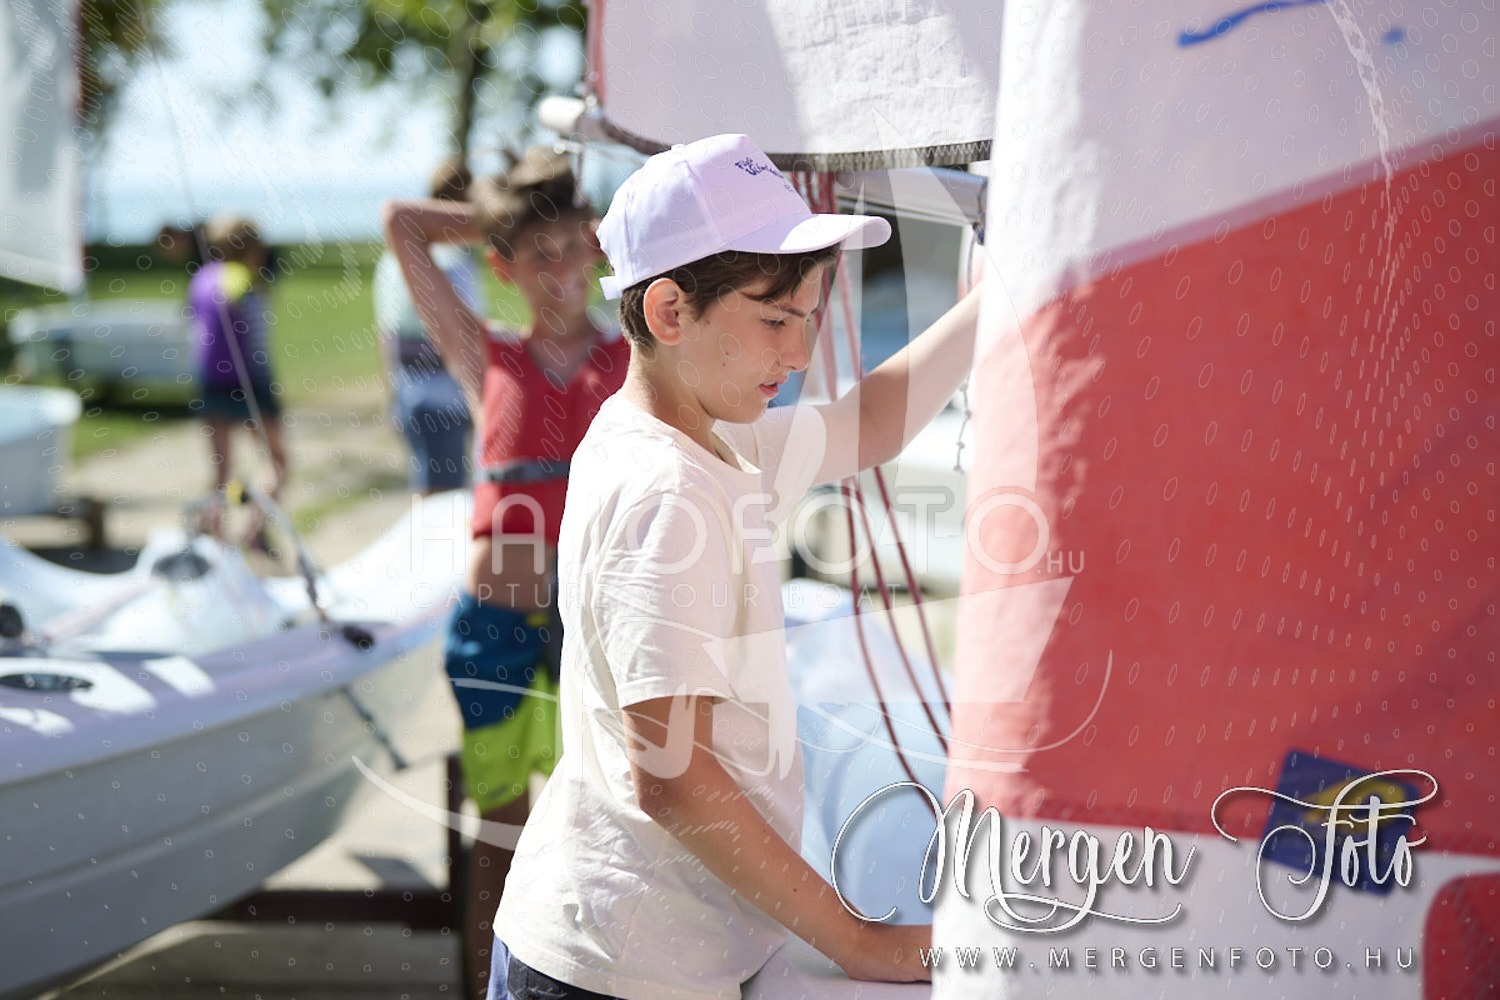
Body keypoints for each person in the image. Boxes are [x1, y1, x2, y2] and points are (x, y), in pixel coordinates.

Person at [488, 133, 982, 999]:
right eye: (776, 320)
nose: (799, 354)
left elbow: (868, 424)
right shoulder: (666, 492)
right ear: (671, 313)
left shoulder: (704, 437)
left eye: (811, 318)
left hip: (661, 947)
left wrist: (1003, 298)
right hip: (615, 969)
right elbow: (672, 777)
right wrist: (859, 940)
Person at [381, 147, 630, 1000]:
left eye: (573, 252)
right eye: (538, 256)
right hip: (493, 632)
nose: (560, 273)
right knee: (501, 832)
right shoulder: (486, 356)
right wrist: (505, 216)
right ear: (505, 267)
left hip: (590, 638)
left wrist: (592, 226)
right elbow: (402, 224)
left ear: (597, 250)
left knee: (591, 831)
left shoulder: (632, 360)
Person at [374, 158, 479, 494]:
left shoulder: (394, 258)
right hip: (446, 395)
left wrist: (392, 394)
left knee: (428, 490)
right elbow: (468, 333)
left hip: (410, 390)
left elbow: (387, 333)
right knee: (445, 497)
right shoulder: (452, 260)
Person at [187, 215, 288, 524]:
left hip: (210, 380)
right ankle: (254, 530)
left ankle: (213, 533)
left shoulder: (201, 279)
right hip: (250, 382)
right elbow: (256, 339)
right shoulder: (248, 282)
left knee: (221, 469)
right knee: (276, 461)